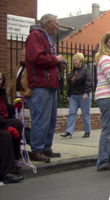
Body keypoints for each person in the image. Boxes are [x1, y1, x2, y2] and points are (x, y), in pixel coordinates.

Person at [25, 13, 65, 163]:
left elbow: (45, 58)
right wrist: (55, 59)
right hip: (42, 84)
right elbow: (36, 58)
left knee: (50, 118)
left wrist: (57, 64)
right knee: (41, 117)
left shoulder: (45, 37)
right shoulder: (36, 35)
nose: (58, 26)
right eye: (56, 23)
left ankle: (46, 147)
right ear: (48, 23)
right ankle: (36, 149)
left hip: (50, 83)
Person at [94, 32, 110, 171]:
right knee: (109, 129)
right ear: (105, 44)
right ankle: (103, 161)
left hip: (109, 97)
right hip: (106, 96)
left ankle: (108, 158)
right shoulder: (106, 58)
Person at [60, 53, 92, 139]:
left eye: (76, 60)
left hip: (83, 95)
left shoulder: (85, 71)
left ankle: (87, 131)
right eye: (74, 60)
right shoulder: (73, 71)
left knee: (85, 114)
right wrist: (69, 95)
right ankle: (69, 131)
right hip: (74, 95)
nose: (74, 62)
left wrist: (86, 93)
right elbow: (70, 84)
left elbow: (88, 82)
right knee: (72, 113)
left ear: (81, 61)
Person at [0, 73, 24, 184]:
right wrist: (7, 126)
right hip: (1, 123)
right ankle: (7, 172)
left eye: (0, 78)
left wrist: (15, 106)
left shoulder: (1, 92)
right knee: (5, 135)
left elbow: (5, 110)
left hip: (3, 121)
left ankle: (14, 160)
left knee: (18, 124)